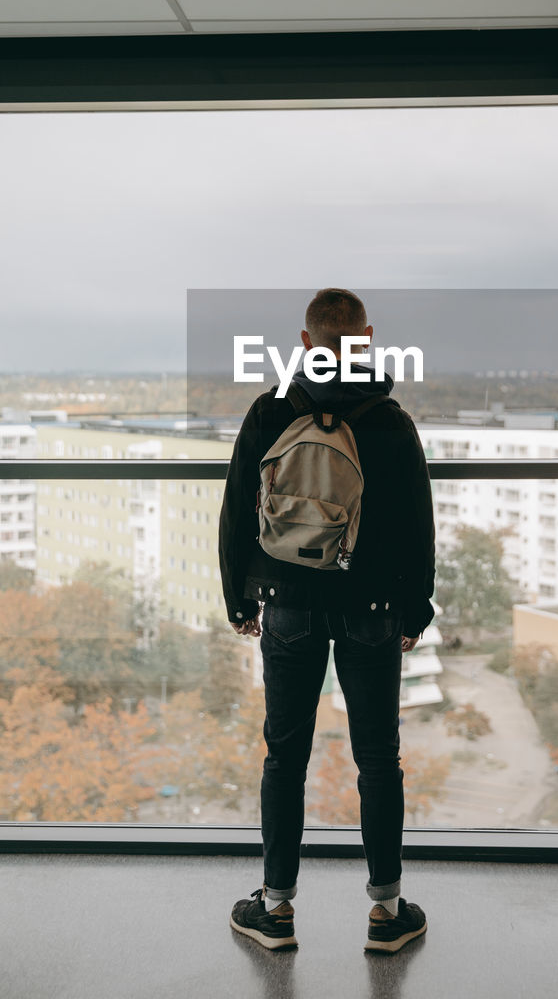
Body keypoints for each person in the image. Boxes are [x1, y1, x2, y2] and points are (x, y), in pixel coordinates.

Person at [219, 288, 435, 953]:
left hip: (288, 603)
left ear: (307, 342)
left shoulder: (269, 410)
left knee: (284, 757)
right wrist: (414, 608)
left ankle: (276, 909)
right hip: (371, 607)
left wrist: (239, 598)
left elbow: (236, 511)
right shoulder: (390, 421)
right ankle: (387, 913)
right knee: (377, 760)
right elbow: (414, 525)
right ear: (366, 337)